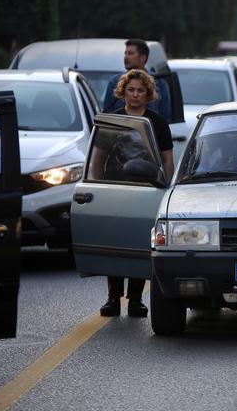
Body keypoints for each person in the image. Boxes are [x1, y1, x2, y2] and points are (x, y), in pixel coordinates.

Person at [92, 69, 173, 318]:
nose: (135, 95)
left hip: (147, 189)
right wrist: (96, 187)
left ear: (147, 94)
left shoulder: (157, 122)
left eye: (140, 90)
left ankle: (136, 299)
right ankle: (112, 299)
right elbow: (97, 159)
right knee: (114, 242)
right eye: (131, 90)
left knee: (141, 244)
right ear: (122, 92)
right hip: (115, 188)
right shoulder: (112, 120)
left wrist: (165, 188)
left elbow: (167, 160)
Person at [102, 39, 172, 122]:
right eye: (125, 53)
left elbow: (166, 118)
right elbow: (106, 116)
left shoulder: (159, 82)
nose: (126, 57)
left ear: (143, 58)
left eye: (130, 53)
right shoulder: (115, 81)